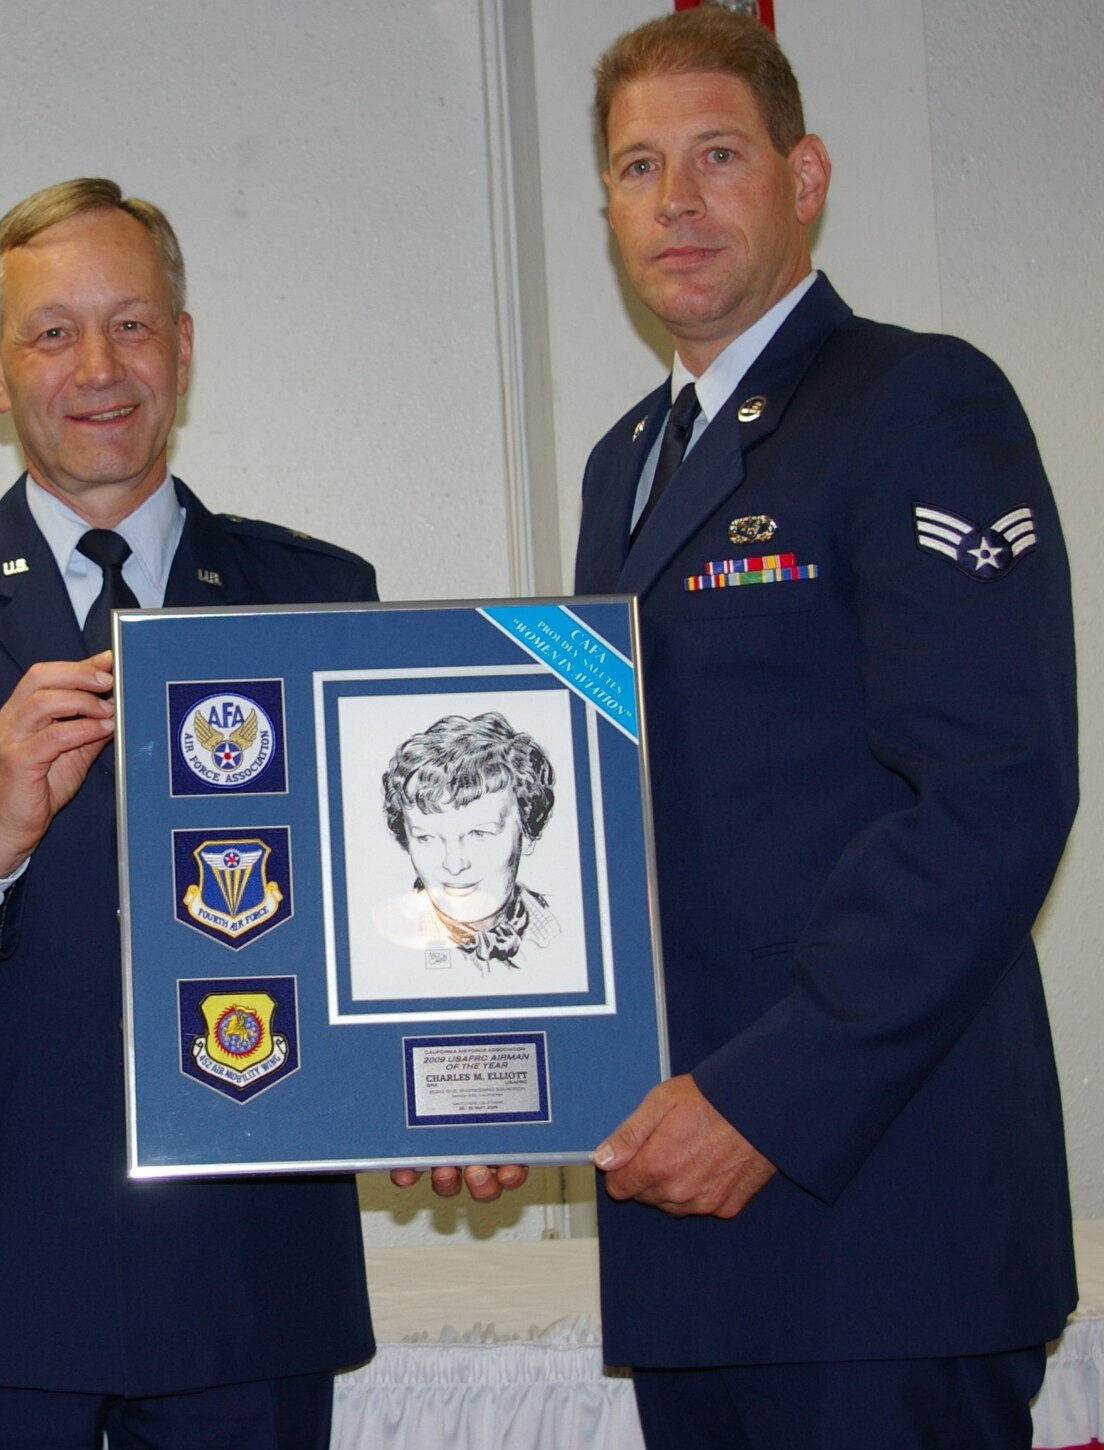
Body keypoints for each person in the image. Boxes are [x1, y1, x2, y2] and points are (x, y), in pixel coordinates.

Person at [0, 177, 402, 1449]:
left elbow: (389, 913)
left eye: (130, 324)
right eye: (51, 332)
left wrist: (461, 1083)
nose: (98, 367)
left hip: (245, 1272)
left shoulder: (315, 594)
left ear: (182, 344)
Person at [572, 11, 1078, 1445]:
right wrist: (507, 1069)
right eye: (637, 166)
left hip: (874, 1216)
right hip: (688, 1217)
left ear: (806, 178)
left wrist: (768, 1100)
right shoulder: (627, 463)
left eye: (718, 154)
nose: (676, 200)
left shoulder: (916, 401)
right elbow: (617, 827)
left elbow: (992, 796)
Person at [377, 712, 559, 973]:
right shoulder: (385, 951)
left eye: (479, 834)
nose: (453, 865)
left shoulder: (562, 928)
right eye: (427, 838)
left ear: (528, 832)